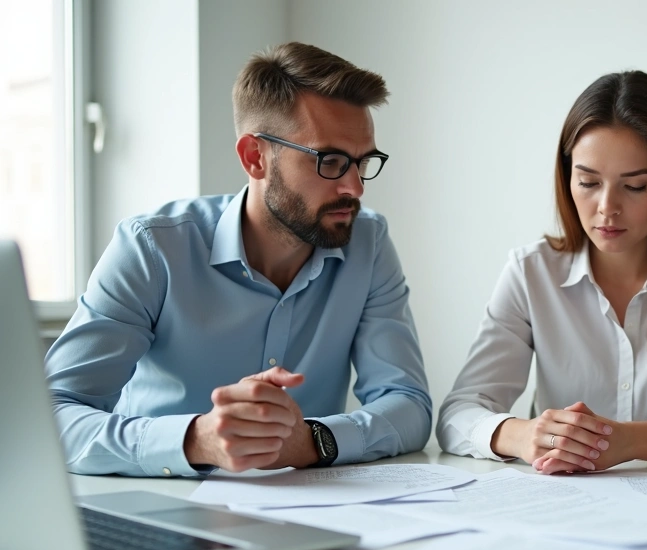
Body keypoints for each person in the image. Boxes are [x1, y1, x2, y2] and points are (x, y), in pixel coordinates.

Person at [44, 42, 431, 477]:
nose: (355, 188)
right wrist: (196, 440)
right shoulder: (153, 249)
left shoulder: (368, 243)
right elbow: (52, 417)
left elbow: (409, 404)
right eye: (332, 161)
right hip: (162, 504)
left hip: (309, 510)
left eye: (364, 162)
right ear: (255, 157)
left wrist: (313, 440)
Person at [438, 71, 647, 473]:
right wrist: (525, 435)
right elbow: (459, 413)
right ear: (568, 178)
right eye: (587, 182)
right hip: (561, 504)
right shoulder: (531, 272)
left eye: (634, 187)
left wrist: (631, 441)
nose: (606, 207)